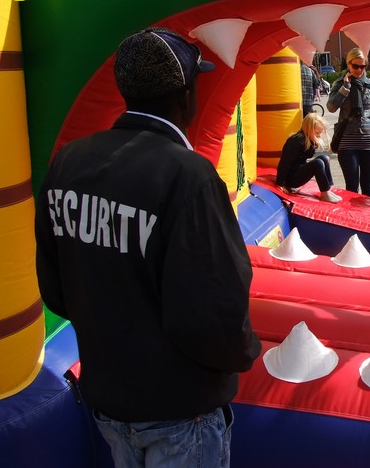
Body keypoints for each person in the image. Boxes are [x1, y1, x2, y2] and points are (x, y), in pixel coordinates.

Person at [34, 28, 261, 467]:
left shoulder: (69, 162)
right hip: (180, 409)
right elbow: (217, 306)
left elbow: (56, 289)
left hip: (110, 401)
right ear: (185, 96)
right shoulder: (188, 176)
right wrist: (243, 351)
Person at [327, 48, 370, 197]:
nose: (359, 70)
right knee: (352, 188)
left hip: (368, 142)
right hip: (347, 142)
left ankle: (367, 213)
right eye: (356, 66)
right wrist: (345, 88)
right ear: (348, 64)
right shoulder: (340, 83)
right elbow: (331, 107)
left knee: (368, 187)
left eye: (363, 66)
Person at [276, 113, 342, 203]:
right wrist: (280, 183)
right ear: (308, 130)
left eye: (320, 133)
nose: (319, 135)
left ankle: (328, 188)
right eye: (317, 133)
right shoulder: (296, 141)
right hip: (291, 179)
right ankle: (324, 193)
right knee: (318, 163)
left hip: (298, 170)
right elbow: (285, 162)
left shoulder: (308, 139)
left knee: (324, 158)